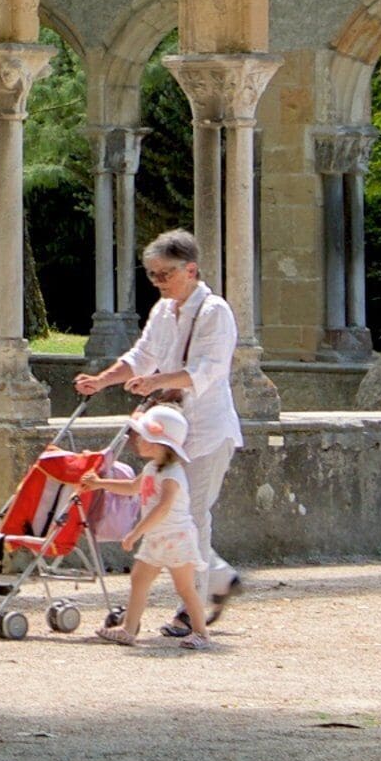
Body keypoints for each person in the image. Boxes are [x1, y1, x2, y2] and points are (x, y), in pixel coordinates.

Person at [75, 228, 239, 633]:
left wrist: (156, 382)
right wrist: (103, 380)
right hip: (169, 432)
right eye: (151, 275)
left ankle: (193, 608)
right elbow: (141, 355)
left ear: (191, 269)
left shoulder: (215, 311)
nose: (158, 282)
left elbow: (207, 370)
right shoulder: (164, 310)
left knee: (193, 515)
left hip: (205, 430)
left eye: (164, 274)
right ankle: (218, 579)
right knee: (175, 515)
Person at [84, 404, 215, 651]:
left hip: (176, 537)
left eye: (143, 437)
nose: (137, 440)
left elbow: (163, 508)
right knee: (139, 579)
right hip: (157, 536)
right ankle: (129, 630)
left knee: (185, 587)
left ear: (159, 444)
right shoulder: (152, 468)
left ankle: (201, 632)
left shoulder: (173, 474)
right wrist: (100, 484)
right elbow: (133, 488)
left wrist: (136, 532)